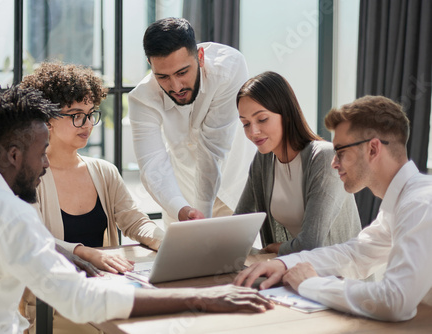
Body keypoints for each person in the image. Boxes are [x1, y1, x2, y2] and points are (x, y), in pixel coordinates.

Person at [0, 83, 272, 334]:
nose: (44, 165)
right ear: (14, 156)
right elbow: (79, 300)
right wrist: (202, 299)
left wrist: (61, 253)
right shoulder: (9, 213)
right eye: (41, 153)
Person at [234, 95, 432, 322]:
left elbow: (395, 301)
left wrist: (310, 284)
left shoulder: (420, 204)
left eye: (341, 152)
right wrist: (283, 263)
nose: (333, 163)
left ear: (373, 149)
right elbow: (355, 253)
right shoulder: (399, 205)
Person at [19, 62, 165, 333]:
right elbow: (32, 242)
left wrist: (166, 241)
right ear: (46, 118)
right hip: (53, 307)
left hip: (102, 296)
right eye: (76, 115)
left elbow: (135, 221)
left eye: (90, 114)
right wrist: (84, 253)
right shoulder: (27, 178)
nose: (87, 124)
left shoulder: (103, 171)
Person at [128, 17, 255, 226]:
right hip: (180, 199)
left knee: (245, 259)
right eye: (163, 77)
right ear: (150, 65)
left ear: (200, 56)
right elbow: (152, 164)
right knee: (182, 259)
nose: (176, 86)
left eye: (182, 72)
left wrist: (202, 219)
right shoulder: (142, 99)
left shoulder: (229, 68)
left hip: (237, 193)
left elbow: (212, 148)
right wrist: (181, 208)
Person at [235, 71, 361, 255]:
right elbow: (239, 223)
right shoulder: (263, 161)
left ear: (286, 114)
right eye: (245, 123)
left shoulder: (325, 158)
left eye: (262, 119)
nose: (253, 132)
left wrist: (276, 249)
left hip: (338, 277)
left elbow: (311, 243)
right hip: (297, 272)